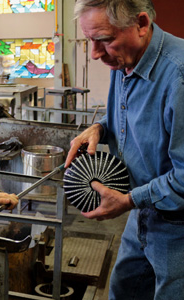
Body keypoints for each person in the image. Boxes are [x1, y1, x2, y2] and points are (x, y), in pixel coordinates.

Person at [65, 0, 184, 299]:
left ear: (141, 24)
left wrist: (129, 200)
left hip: (177, 225)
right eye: (89, 40)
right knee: (124, 289)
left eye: (104, 40)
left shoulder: (179, 77)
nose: (94, 53)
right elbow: (137, 115)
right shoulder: (125, 58)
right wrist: (101, 127)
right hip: (142, 211)